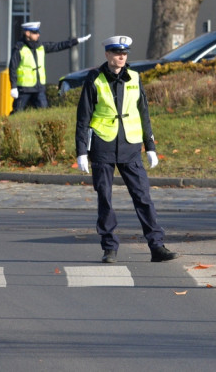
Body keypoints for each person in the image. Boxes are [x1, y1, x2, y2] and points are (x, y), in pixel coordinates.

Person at [74, 34, 177, 264]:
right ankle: (109, 247)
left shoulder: (134, 78)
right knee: (106, 198)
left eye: (124, 53)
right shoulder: (95, 79)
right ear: (107, 54)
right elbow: (83, 116)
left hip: (130, 145)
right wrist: (81, 150)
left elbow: (144, 113)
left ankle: (157, 246)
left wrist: (150, 146)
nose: (121, 57)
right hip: (103, 144)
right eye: (117, 53)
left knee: (143, 197)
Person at [9, 20, 91, 111]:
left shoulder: (40, 46)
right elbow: (12, 68)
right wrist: (13, 87)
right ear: (27, 33)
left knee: (44, 111)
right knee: (17, 111)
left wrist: (76, 41)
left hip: (39, 88)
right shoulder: (19, 49)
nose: (38, 35)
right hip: (24, 89)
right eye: (35, 32)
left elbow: (58, 46)